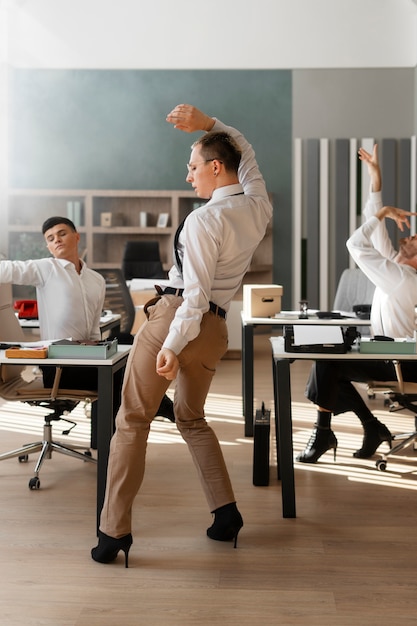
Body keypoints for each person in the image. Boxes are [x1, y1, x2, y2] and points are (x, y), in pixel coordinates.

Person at [91, 103, 273, 566]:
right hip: (215, 331)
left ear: (215, 168)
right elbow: (244, 149)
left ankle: (113, 534)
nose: (188, 175)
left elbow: (192, 295)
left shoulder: (202, 221)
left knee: (132, 419)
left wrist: (170, 345)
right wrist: (209, 125)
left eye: (193, 167)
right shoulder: (258, 205)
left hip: (177, 319)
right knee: (191, 419)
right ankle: (226, 514)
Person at [0, 216, 175, 442]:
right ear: (48, 246)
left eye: (62, 233)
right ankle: (154, 407)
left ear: (76, 236)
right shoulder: (45, 268)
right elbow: (7, 269)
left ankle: (121, 429)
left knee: (127, 341)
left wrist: (97, 348)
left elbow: (94, 330)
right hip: (59, 365)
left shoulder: (96, 279)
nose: (57, 240)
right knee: (118, 373)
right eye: (50, 239)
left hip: (85, 356)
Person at [297, 144, 417, 464]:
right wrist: (375, 180)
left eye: (415, 239)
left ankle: (337, 431)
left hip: (400, 361)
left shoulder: (404, 278)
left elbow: (356, 243)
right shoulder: (401, 271)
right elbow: (373, 231)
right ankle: (368, 427)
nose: (409, 236)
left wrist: (381, 214)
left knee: (327, 363)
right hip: (389, 354)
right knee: (328, 362)